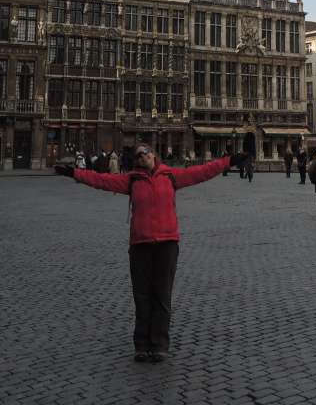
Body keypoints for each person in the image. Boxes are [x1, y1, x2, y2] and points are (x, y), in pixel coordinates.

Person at [54, 144, 242, 362]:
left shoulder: (171, 176)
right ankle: (141, 344)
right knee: (142, 296)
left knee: (162, 295)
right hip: (140, 244)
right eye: (138, 155)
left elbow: (202, 172)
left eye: (146, 152)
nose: (142, 156)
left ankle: (159, 343)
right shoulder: (131, 180)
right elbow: (101, 180)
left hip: (167, 243)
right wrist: (74, 173)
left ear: (154, 154)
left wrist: (229, 161)